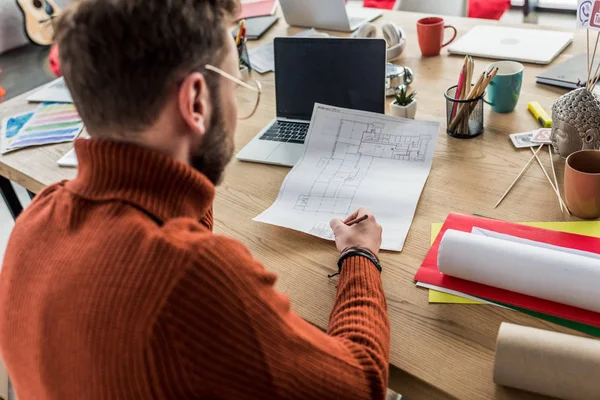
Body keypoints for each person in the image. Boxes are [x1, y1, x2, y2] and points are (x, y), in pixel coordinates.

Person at [0, 0, 390, 399]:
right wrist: (359, 257)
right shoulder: (194, 274)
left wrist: (189, 163)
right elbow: (361, 385)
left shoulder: (35, 219)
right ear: (196, 102)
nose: (237, 108)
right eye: (236, 86)